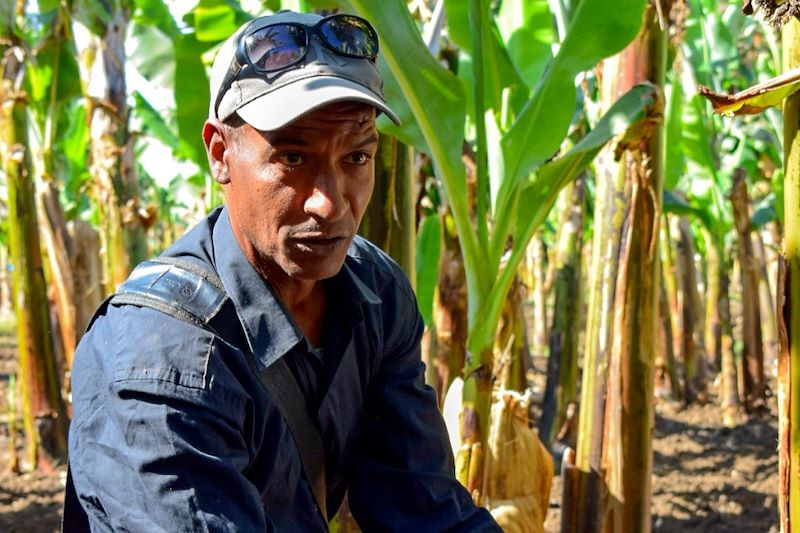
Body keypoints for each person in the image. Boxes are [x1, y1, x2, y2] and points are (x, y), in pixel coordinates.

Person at [66, 10, 500, 532]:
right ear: (220, 154)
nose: (330, 203)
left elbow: (423, 506)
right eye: (293, 157)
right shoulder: (161, 356)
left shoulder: (376, 293)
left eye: (356, 158)